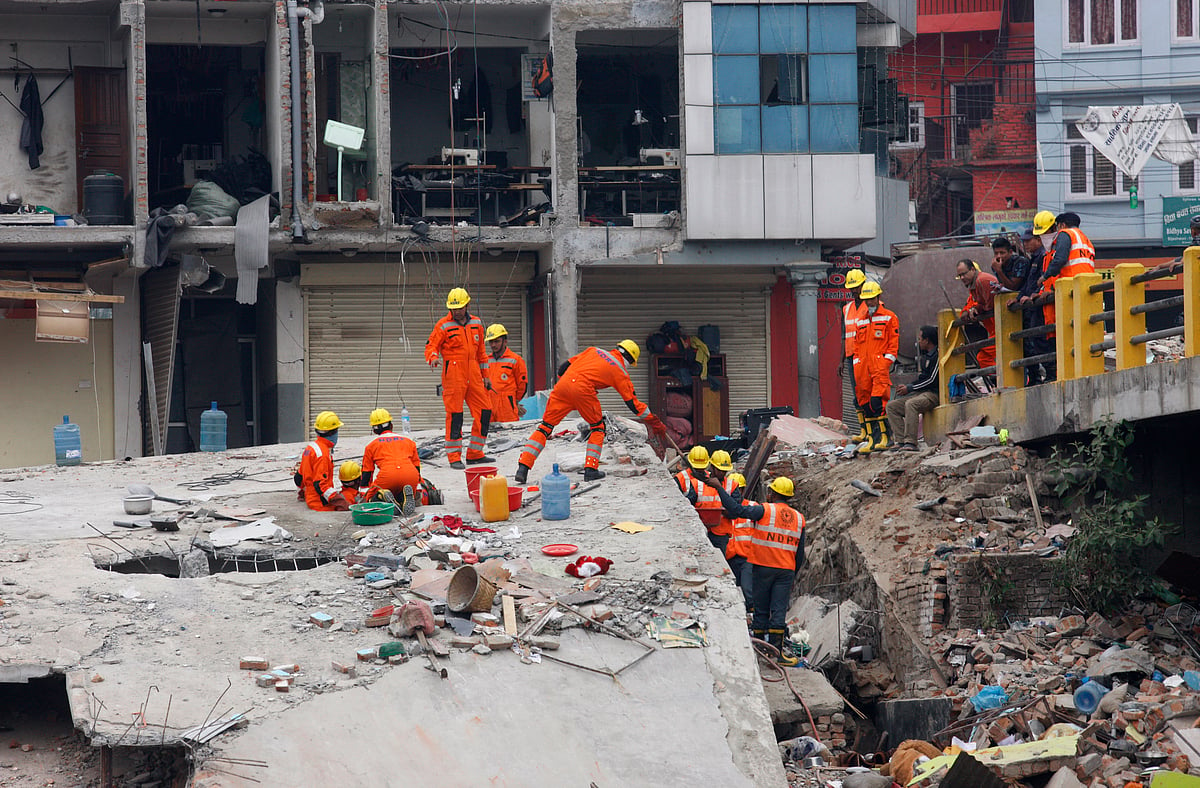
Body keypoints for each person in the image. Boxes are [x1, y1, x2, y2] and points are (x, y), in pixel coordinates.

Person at [513, 340, 666, 483]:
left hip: (563, 385)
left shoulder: (594, 351)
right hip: (583, 390)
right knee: (598, 428)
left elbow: (562, 368)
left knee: (545, 427)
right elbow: (633, 404)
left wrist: (568, 389)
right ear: (630, 360)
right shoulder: (620, 371)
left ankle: (523, 467)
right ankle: (591, 469)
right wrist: (655, 422)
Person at [711, 476, 805, 666]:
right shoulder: (799, 518)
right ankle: (777, 655)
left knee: (761, 611)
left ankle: (760, 650)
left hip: (762, 567)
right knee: (778, 612)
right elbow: (800, 553)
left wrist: (719, 489)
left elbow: (736, 510)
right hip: (785, 571)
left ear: (772, 494)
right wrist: (793, 576)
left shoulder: (765, 510)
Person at [425, 287, 494, 470]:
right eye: (453, 309)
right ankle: (454, 456)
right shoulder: (443, 325)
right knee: (455, 415)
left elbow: (481, 353)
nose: (456, 312)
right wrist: (432, 358)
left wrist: (485, 376)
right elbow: (431, 346)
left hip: (474, 374)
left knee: (485, 411)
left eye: (460, 308)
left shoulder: (477, 324)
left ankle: (475, 453)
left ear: (467, 305)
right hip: (453, 375)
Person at [853, 281, 899, 454]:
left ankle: (886, 439)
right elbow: (857, 345)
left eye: (872, 299)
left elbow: (893, 345)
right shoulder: (860, 320)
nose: (869, 302)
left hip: (879, 367)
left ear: (878, 297)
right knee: (865, 404)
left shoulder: (889, 317)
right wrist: (856, 362)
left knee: (878, 402)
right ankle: (873, 440)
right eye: (867, 300)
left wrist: (884, 363)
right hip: (862, 369)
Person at [1035, 211, 1095, 332]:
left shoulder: (1065, 233)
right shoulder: (1086, 241)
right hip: (1087, 285)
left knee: (1069, 327)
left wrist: (1044, 277)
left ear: (1062, 225)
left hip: (1071, 286)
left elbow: (1060, 259)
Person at [885, 325, 939, 452]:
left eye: (920, 339)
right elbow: (921, 379)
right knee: (892, 406)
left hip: (933, 395)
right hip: (921, 393)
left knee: (911, 404)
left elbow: (932, 380)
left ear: (927, 340)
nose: (918, 342)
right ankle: (900, 441)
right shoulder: (926, 357)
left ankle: (910, 442)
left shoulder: (937, 356)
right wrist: (907, 387)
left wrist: (909, 388)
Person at [361, 408, 422, 516]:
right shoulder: (409, 441)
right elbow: (416, 466)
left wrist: (366, 494)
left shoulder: (371, 446)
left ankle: (383, 497)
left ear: (374, 430)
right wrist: (417, 486)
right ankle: (402, 499)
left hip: (387, 477)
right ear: (391, 425)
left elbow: (367, 472)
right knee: (401, 490)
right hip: (410, 476)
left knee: (371, 499)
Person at [1017, 227, 1056, 385]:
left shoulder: (1042, 256)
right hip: (1033, 307)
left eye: (1028, 240)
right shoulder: (1034, 258)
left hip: (1040, 306)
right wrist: (1019, 297)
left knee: (1041, 339)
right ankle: (1039, 376)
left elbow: (1042, 280)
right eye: (1024, 241)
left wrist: (1034, 294)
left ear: (1038, 240)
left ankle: (1051, 373)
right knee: (1034, 340)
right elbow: (1028, 283)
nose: (1025, 244)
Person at [295, 411, 348, 512]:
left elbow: (298, 477)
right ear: (332, 432)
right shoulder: (323, 454)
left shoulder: (310, 449)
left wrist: (302, 493)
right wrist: (339, 501)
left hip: (311, 499)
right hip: (320, 503)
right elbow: (320, 485)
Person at [675, 446, 725, 550]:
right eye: (697, 467)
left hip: (713, 525)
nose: (699, 470)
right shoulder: (680, 478)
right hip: (690, 524)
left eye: (702, 467)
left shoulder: (710, 478)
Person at [839, 269, 869, 441]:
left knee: (869, 393)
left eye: (857, 287)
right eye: (852, 288)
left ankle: (874, 431)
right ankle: (864, 430)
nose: (854, 291)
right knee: (857, 394)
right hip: (851, 357)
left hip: (866, 356)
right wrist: (841, 360)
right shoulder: (847, 309)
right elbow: (844, 336)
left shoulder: (872, 305)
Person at [955, 258, 1001, 370]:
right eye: (959, 275)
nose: (962, 278)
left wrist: (977, 309)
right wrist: (973, 309)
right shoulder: (974, 285)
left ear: (972, 269)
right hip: (995, 329)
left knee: (983, 357)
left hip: (1001, 327)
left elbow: (989, 305)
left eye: (964, 274)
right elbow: (980, 304)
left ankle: (1000, 378)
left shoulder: (982, 281)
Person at [719, 472, 754, 616]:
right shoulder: (721, 510)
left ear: (743, 491)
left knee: (747, 589)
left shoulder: (752, 508)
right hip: (728, 559)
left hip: (747, 558)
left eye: (737, 490)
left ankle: (752, 615)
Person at [482, 324, 528, 423]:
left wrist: (513, 401)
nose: (493, 345)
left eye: (497, 341)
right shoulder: (486, 360)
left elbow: (522, 384)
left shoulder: (515, 360)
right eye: (491, 342)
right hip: (488, 404)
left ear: (505, 341)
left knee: (509, 434)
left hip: (507, 406)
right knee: (488, 434)